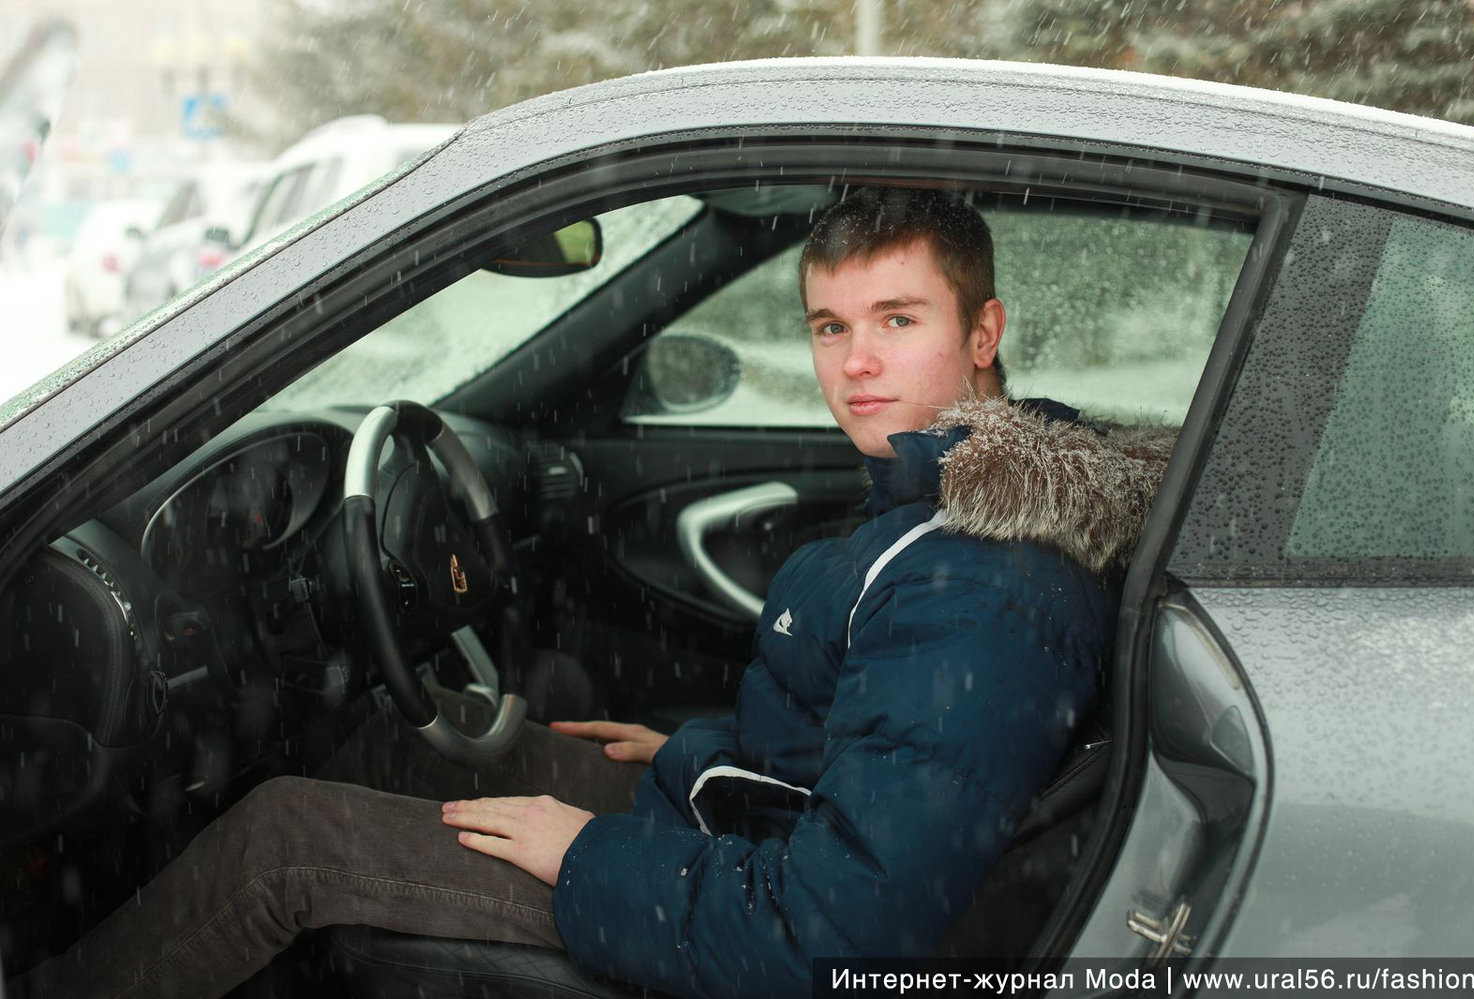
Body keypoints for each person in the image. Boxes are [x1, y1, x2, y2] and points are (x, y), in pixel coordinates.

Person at [16, 187, 1172, 999]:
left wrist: (584, 857)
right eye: (831, 326)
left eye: (898, 322)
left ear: (985, 333)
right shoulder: (937, 507)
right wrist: (679, 755)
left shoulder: (983, 581)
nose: (856, 364)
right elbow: (857, 762)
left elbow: (833, 936)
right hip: (736, 835)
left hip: (742, 910)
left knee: (283, 838)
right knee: (388, 744)